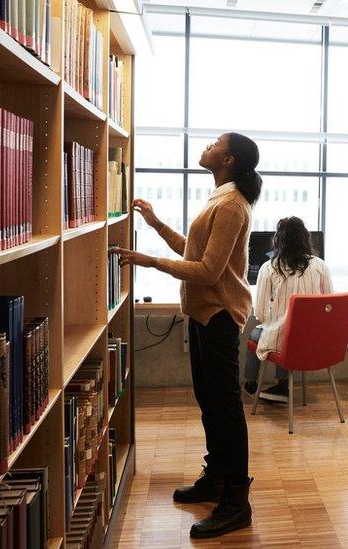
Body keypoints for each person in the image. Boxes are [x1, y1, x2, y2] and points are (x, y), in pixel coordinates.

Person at [112, 132, 261, 539]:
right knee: (210, 402)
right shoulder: (221, 199)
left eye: (214, 143)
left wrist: (149, 262)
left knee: (225, 408)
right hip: (203, 314)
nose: (207, 146)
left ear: (227, 159)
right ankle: (216, 479)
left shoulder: (230, 204)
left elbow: (209, 273)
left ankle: (236, 503)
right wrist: (157, 225)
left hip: (219, 315)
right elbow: (196, 256)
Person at [242, 216, 333, 403]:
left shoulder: (269, 268)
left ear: (278, 240)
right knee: (287, 331)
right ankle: (282, 386)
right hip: (314, 340)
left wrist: (275, 314)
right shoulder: (321, 266)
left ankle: (250, 383)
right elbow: (329, 304)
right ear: (305, 238)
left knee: (261, 332)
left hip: (285, 342)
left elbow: (259, 313)